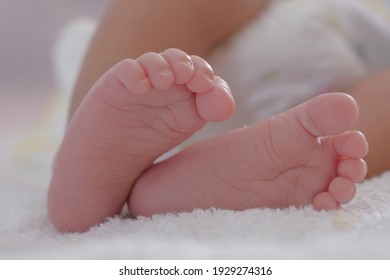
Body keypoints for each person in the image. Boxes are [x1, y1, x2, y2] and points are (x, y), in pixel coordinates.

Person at [47, 0, 388, 233]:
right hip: (325, 79)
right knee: (350, 120)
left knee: (145, 58)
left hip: (161, 73)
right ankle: (104, 161)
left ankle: (91, 157)